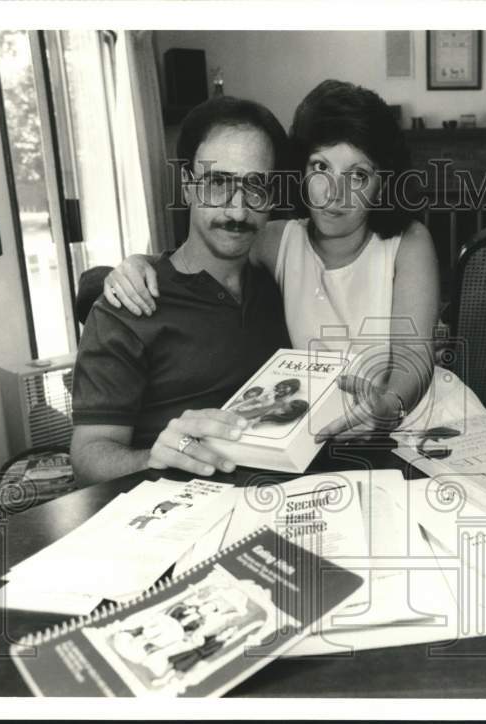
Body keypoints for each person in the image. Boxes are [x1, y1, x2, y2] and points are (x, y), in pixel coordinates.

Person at [103, 79, 440, 442]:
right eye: (321, 168)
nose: (334, 193)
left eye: (357, 175)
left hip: (410, 420)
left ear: (381, 183)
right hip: (319, 435)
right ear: (300, 173)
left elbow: (415, 358)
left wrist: (387, 409)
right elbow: (205, 246)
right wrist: (137, 263)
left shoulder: (409, 241)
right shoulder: (278, 240)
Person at [70, 95, 291, 487]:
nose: (238, 211)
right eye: (218, 183)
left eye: (256, 187)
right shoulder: (129, 306)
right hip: (168, 516)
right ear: (188, 186)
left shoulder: (281, 281)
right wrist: (153, 457)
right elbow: (88, 459)